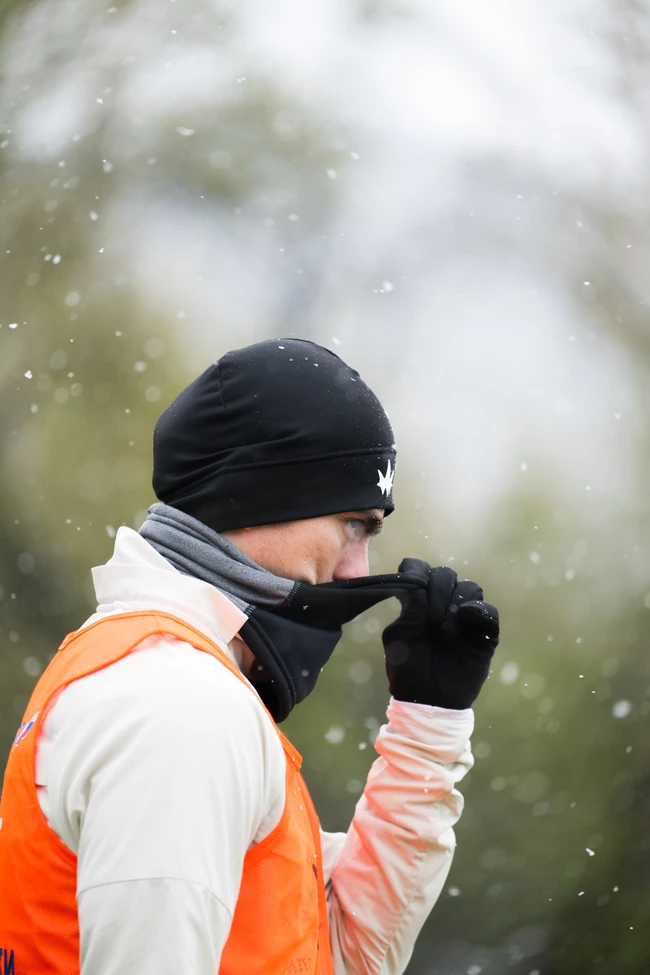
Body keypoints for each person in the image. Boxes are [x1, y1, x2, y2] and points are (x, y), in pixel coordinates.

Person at [0, 338, 499, 975]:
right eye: (355, 524)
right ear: (260, 497)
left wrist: (427, 729)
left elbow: (336, 954)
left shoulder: (164, 672)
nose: (358, 570)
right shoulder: (180, 704)